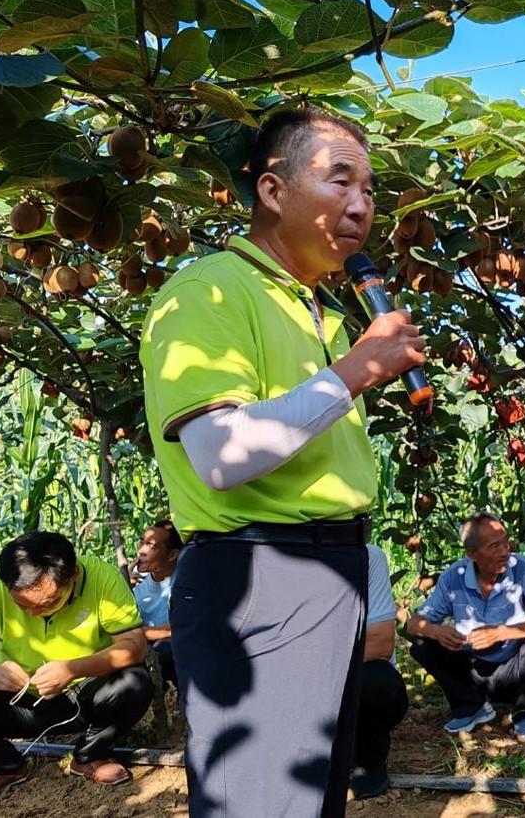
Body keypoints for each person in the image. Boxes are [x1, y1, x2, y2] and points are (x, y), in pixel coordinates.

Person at [139, 107, 425, 818]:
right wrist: (355, 371)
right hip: (257, 577)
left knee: (306, 801)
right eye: (339, 181)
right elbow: (219, 453)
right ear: (273, 191)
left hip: (331, 573)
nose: (360, 206)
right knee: (262, 804)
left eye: (369, 190)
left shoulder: (320, 313)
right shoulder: (207, 292)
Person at [0, 531, 153, 807]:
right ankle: (1, 765)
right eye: (22, 606)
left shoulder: (101, 578)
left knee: (134, 684)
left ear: (73, 577)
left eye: (46, 604)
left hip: (81, 696)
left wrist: (72, 669)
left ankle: (90, 755)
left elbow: (134, 644)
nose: (32, 614)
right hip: (17, 700)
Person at [406, 513, 525, 741]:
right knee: (421, 645)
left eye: (506, 542)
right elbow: (413, 624)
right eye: (495, 546)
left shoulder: (521, 568)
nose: (504, 551)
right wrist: (437, 631)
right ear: (472, 554)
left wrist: (499, 633)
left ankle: (522, 711)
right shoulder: (454, 577)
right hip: (471, 671)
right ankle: (472, 707)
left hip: (514, 669)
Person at [349, 543, 408, 801]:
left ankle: (367, 759)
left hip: (344, 676)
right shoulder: (266, 554)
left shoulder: (368, 557)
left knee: (376, 682)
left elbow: (380, 645)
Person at [131, 520, 182, 687]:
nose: (141, 551)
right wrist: (122, 588)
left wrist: (140, 634)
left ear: (172, 555)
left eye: (150, 545)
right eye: (141, 542)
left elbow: (179, 628)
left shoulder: (184, 582)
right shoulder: (133, 580)